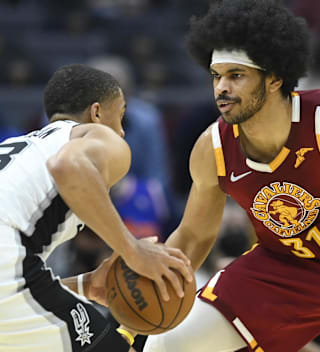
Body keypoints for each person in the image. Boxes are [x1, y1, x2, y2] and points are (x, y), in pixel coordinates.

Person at [141, 0, 320, 351]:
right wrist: (154, 281)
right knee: (166, 346)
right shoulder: (212, 148)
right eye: (216, 76)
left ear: (274, 79)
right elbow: (194, 235)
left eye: (236, 75)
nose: (221, 88)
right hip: (284, 269)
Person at [0, 64, 193, 352]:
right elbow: (67, 166)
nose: (122, 132)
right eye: (122, 115)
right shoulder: (98, 137)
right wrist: (133, 250)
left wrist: (85, 285)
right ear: (97, 112)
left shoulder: (18, 147)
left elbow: (21, 292)